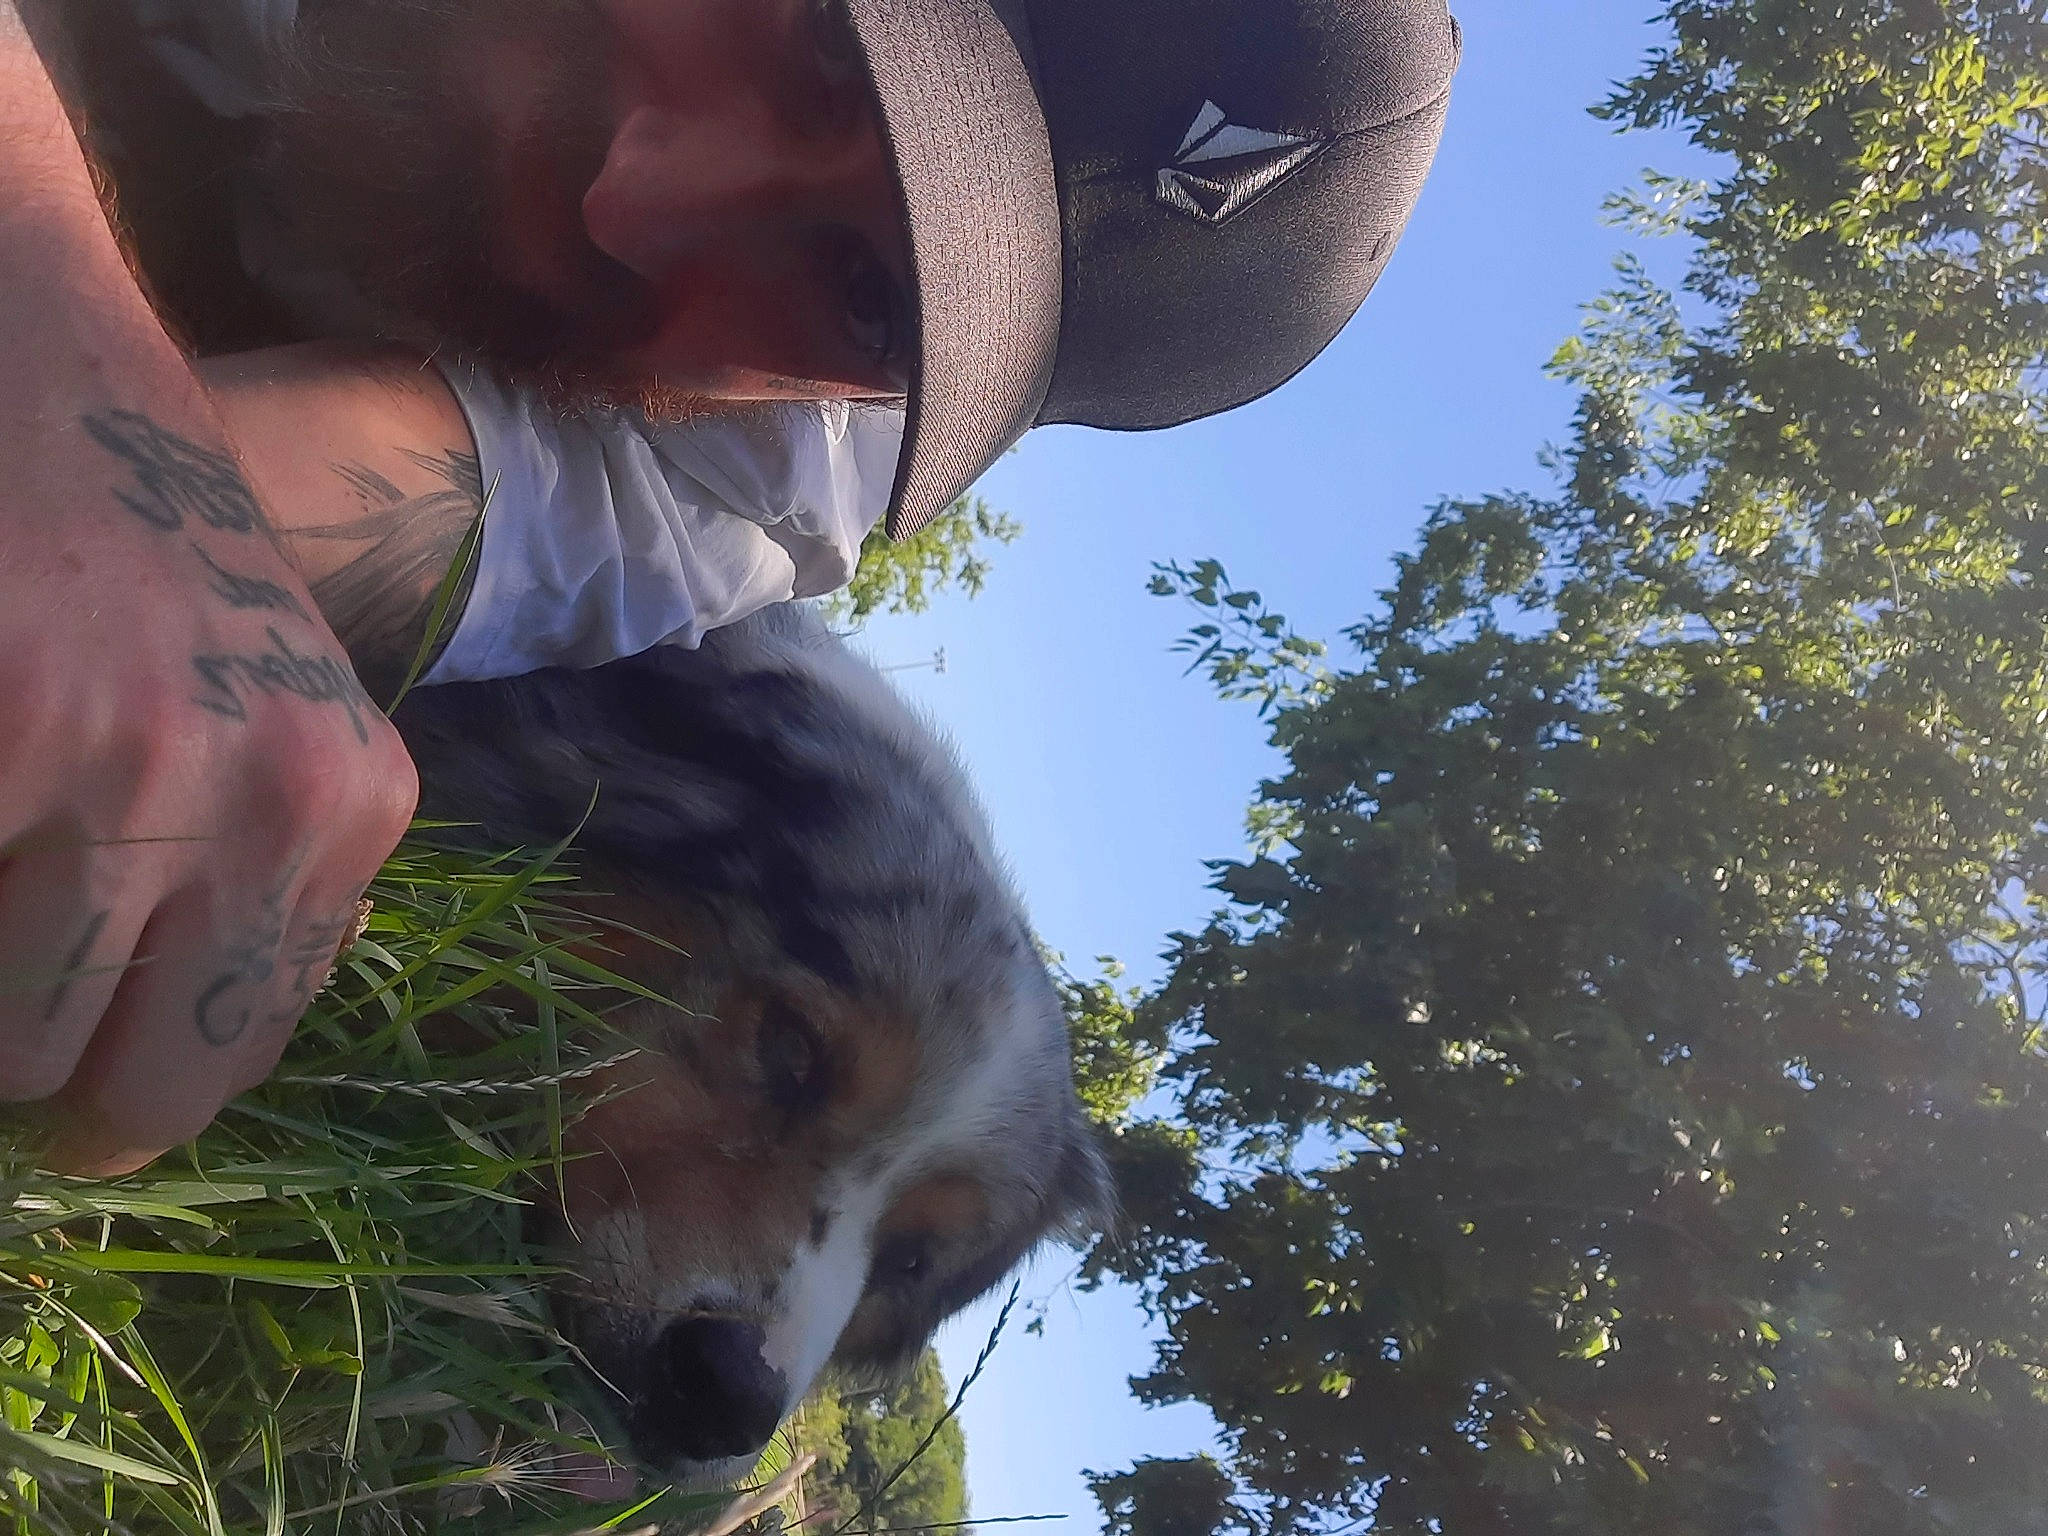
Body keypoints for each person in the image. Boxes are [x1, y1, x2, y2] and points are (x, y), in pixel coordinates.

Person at [0, 0, 1461, 1173]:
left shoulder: (768, 467)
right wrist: (55, 326)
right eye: (826, 44)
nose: (638, 195)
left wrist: (143, 527)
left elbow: (183, 547)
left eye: (861, 288)